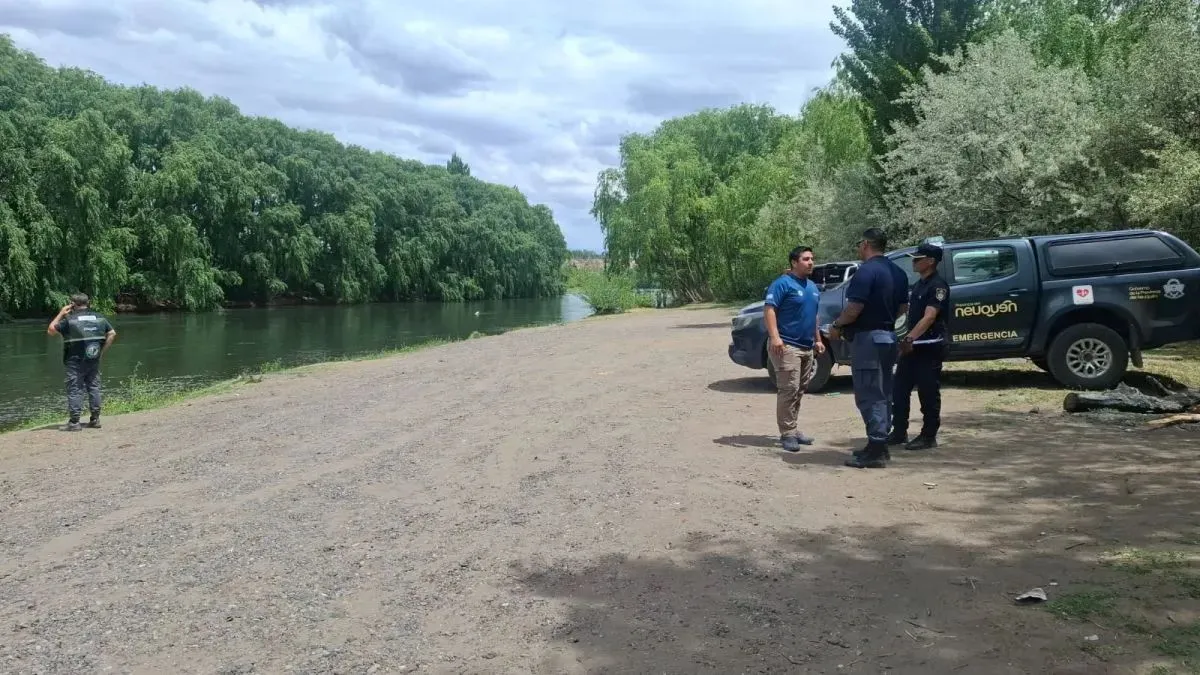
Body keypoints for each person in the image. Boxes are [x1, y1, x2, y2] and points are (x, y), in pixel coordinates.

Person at [827, 229, 909, 468]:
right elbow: (903, 309)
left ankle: (877, 448)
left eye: (858, 245)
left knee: (869, 392)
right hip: (889, 337)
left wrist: (836, 325)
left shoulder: (866, 271)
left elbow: (853, 309)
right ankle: (878, 444)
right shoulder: (899, 272)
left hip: (868, 340)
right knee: (884, 391)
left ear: (865, 244)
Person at [889, 242, 950, 451]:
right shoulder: (919, 284)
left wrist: (909, 339)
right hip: (912, 347)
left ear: (930, 261)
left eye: (918, 258)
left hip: (928, 347)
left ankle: (928, 435)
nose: (914, 261)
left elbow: (930, 317)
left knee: (928, 393)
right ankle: (899, 432)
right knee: (899, 390)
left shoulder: (938, 286)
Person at [763, 246, 825, 452]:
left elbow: (814, 315)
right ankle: (787, 433)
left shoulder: (812, 286)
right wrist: (775, 338)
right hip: (787, 345)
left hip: (807, 347)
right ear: (794, 262)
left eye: (812, 259)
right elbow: (770, 309)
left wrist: (818, 339)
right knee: (788, 389)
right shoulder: (782, 284)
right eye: (806, 259)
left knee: (799, 390)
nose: (811, 262)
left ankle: (793, 427)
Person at [47, 294, 117, 431]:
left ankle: (74, 423)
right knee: (94, 387)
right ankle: (95, 420)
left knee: (75, 389)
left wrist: (61, 313)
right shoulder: (100, 318)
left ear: (72, 304)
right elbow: (112, 333)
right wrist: (101, 352)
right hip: (93, 359)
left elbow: (50, 330)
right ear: (88, 303)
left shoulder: (69, 320)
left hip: (74, 361)